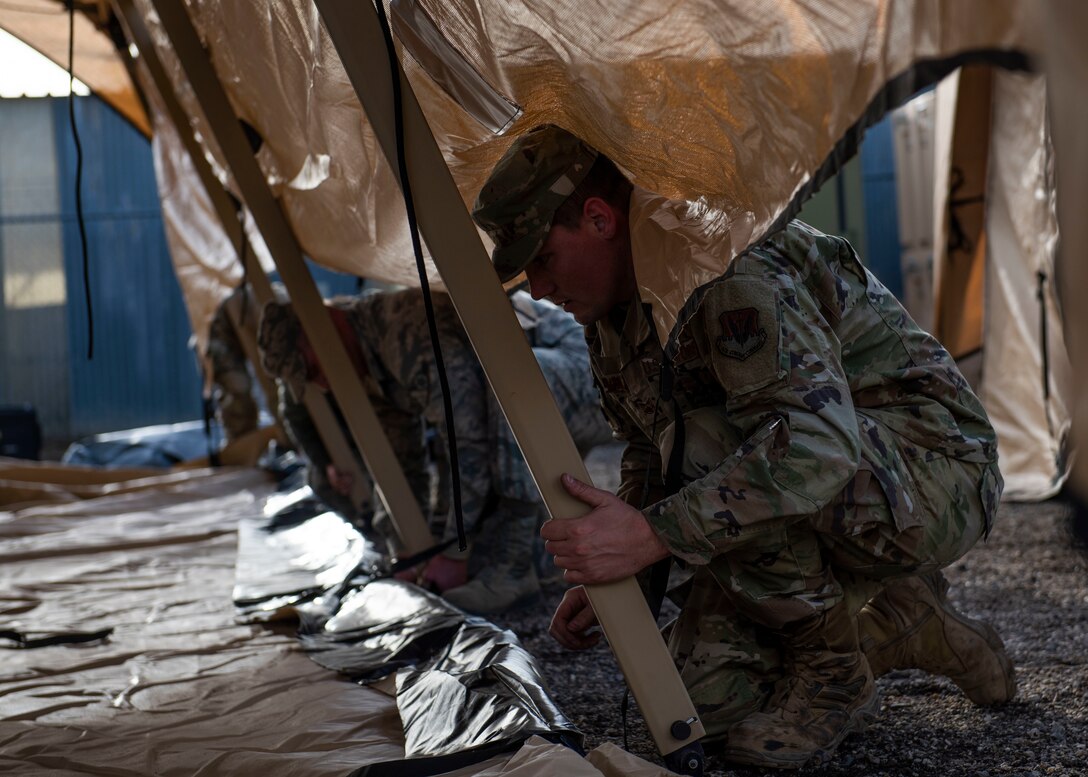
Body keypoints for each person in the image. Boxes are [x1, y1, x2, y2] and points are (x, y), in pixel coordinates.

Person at [471, 124, 1015, 768]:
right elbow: (649, 454)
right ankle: (906, 622)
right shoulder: (613, 317)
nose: (535, 288)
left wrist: (651, 535)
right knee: (708, 708)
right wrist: (624, 569)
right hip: (830, 485)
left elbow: (813, 445)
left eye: (542, 258)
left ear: (597, 219)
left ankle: (832, 671)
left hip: (935, 474)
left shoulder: (727, 268)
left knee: (707, 447)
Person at [257, 287, 612, 614]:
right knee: (478, 555)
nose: (322, 383)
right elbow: (401, 462)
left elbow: (465, 446)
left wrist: (452, 551)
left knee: (508, 379)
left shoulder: (403, 332)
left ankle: (513, 570)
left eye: (314, 369)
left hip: (589, 380)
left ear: (327, 325)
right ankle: (523, 557)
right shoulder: (366, 358)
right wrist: (409, 548)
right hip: (541, 410)